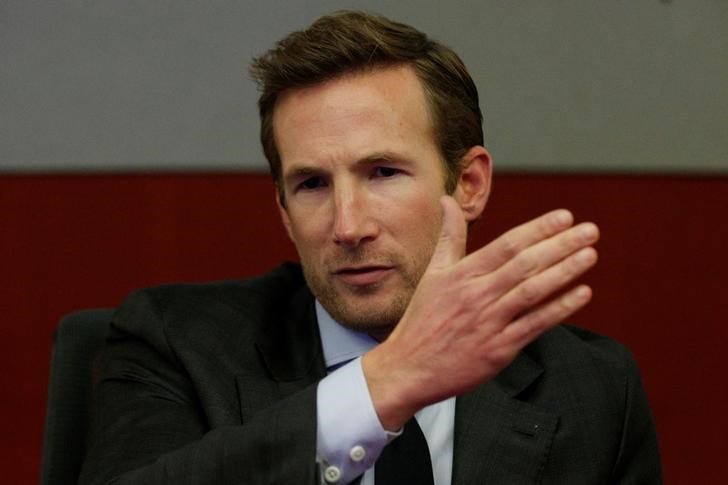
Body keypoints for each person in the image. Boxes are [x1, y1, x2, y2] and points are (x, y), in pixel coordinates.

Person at [79, 10, 661, 485]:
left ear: (468, 185)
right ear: (283, 211)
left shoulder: (591, 385)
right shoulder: (173, 341)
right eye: (311, 184)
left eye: (383, 172)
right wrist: (384, 384)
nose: (348, 226)